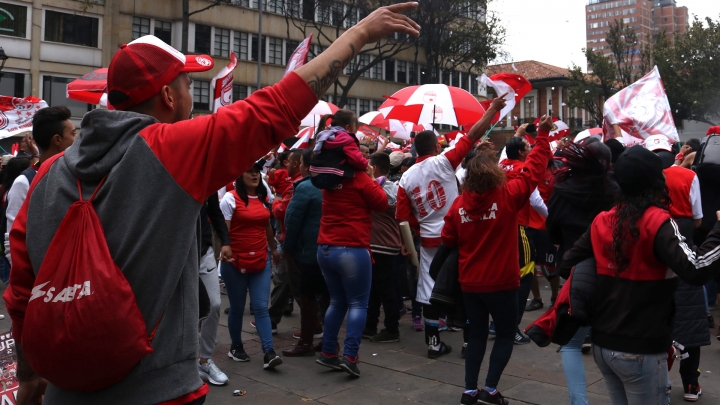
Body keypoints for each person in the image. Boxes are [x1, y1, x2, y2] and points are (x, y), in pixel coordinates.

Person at [3, 6, 420, 403]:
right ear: (168, 95)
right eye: (187, 84)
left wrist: (28, 374)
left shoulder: (48, 172)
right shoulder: (170, 151)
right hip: (157, 389)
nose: (190, 92)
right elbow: (276, 107)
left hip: (64, 385)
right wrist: (360, 34)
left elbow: (22, 289)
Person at [560, 145, 720, 405]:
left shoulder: (603, 219)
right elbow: (697, 268)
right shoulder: (659, 221)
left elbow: (567, 263)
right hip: (641, 348)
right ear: (656, 181)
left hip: (604, 344)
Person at [437, 115, 553, 405]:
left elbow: (448, 242)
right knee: (503, 335)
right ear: (494, 173)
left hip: (470, 284)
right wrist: (543, 135)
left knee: (475, 336)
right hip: (503, 282)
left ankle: (469, 390)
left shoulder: (457, 206)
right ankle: (490, 388)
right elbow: (534, 169)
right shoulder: (509, 194)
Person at [396, 94, 506, 359]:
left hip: (429, 243)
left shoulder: (405, 178)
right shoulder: (445, 161)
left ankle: (433, 343)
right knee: (467, 289)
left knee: (428, 292)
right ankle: (469, 343)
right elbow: (473, 135)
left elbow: (402, 217)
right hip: (459, 238)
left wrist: (415, 233)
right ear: (435, 147)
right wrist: (491, 110)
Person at [314, 115, 388, 378]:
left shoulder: (328, 178)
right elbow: (381, 202)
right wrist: (369, 176)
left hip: (325, 248)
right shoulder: (358, 177)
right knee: (358, 304)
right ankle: (351, 356)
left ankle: (328, 352)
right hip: (352, 248)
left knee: (337, 301)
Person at [546, 141, 618, 405]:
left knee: (572, 344)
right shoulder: (615, 192)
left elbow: (551, 228)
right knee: (612, 341)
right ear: (608, 163)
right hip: (612, 274)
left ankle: (580, 402)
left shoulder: (563, 191)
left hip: (575, 275)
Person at [654, 143, 707, 402]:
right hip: (684, 247)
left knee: (655, 320)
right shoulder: (689, 176)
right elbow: (698, 218)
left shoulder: (645, 177)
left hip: (653, 252)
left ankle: (659, 382)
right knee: (690, 318)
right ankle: (691, 384)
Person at [220, 163, 283, 370]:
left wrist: (273, 249)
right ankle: (236, 346)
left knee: (260, 307)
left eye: (257, 171)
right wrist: (225, 248)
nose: (255, 174)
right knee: (237, 308)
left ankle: (269, 352)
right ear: (240, 174)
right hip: (235, 262)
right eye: (249, 171)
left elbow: (266, 225)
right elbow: (223, 231)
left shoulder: (264, 197)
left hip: (261, 260)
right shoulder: (230, 198)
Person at [4, 107, 76, 266]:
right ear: (57, 140)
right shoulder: (24, 182)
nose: (77, 139)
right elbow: (13, 242)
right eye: (73, 134)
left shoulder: (73, 177)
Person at [498, 134, 548, 345]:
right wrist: (551, 217)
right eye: (528, 146)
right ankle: (511, 327)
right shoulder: (522, 171)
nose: (530, 148)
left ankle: (498, 323)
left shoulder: (498, 167)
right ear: (521, 152)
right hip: (518, 227)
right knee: (525, 274)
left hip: (498, 226)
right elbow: (535, 200)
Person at [282, 148, 328, 356]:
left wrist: (288, 249)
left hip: (308, 252)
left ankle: (305, 342)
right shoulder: (332, 184)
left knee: (307, 297)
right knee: (328, 298)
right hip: (330, 249)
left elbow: (293, 221)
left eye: (300, 162)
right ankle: (329, 341)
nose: (298, 166)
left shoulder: (305, 188)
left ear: (308, 167)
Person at [365, 152, 404, 343]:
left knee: (385, 287)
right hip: (379, 244)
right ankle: (370, 325)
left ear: (375, 169)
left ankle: (391, 328)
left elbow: (383, 201)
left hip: (383, 245)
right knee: (374, 287)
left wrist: (371, 179)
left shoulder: (387, 188)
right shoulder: (389, 187)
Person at [197, 192, 231, 385]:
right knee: (187, 311)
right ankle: (188, 361)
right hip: (179, 254)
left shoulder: (206, 178)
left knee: (214, 304)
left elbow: (215, 212)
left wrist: (226, 241)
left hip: (204, 251)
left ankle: (205, 359)